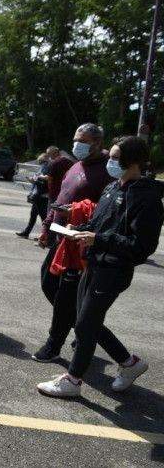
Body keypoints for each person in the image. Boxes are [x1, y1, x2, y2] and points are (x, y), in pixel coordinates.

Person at [37, 136, 163, 397]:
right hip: (94, 262)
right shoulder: (113, 187)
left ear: (135, 162)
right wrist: (79, 229)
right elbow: (100, 225)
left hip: (115, 270)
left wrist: (98, 239)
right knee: (85, 321)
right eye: (111, 157)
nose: (111, 162)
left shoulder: (147, 197)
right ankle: (129, 363)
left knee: (84, 325)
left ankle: (73, 380)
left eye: (116, 158)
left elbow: (142, 246)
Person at [33, 123, 114, 363]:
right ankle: (82, 328)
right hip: (60, 239)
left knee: (66, 298)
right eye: (75, 139)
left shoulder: (107, 171)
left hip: (81, 245)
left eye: (83, 140)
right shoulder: (75, 166)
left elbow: (108, 211)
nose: (77, 144)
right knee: (49, 284)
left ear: (97, 143)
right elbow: (60, 199)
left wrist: (79, 213)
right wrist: (47, 225)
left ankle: (53, 345)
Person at [16, 153, 49, 238]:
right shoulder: (43, 169)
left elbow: (45, 185)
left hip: (42, 196)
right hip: (38, 196)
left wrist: (34, 181)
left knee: (43, 217)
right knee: (33, 215)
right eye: (40, 162)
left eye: (42, 162)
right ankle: (26, 232)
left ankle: (45, 235)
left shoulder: (47, 170)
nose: (41, 164)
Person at [36, 145, 74, 213]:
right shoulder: (69, 162)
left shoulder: (54, 163)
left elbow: (48, 178)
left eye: (48, 154)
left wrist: (40, 176)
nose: (48, 156)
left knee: (50, 213)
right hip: (66, 192)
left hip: (54, 192)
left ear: (52, 153)